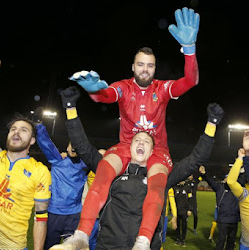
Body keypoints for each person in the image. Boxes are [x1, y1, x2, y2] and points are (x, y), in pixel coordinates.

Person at [68, 7, 200, 249]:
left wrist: (189, 50)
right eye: (140, 64)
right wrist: (94, 90)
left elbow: (190, 81)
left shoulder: (162, 88)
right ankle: (81, 235)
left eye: (150, 66)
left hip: (157, 149)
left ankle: (143, 241)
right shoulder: (124, 87)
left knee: (157, 186)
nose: (145, 70)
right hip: (127, 146)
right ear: (133, 66)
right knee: (103, 174)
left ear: (154, 69)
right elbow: (106, 95)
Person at [49, 86, 224, 250]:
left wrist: (212, 124)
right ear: (129, 147)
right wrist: (70, 108)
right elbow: (82, 147)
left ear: (152, 151)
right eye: (137, 140)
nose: (141, 142)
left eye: (146, 141)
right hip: (109, 245)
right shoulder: (114, 171)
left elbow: (196, 159)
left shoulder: (165, 176)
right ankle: (80, 236)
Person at [32, 108, 90, 250]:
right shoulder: (58, 160)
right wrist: (38, 124)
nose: (74, 146)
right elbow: (46, 143)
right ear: (67, 147)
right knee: (51, 246)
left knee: (71, 247)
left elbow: (101, 157)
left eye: (78, 144)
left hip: (74, 214)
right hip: (54, 213)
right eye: (72, 144)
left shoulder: (86, 165)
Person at [0, 114, 51, 249]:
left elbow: (40, 219)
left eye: (23, 130)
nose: (16, 132)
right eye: (13, 129)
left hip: (13, 246)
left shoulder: (39, 171)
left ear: (32, 140)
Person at [200, 164, 240, 250]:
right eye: (227, 178)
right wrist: (204, 174)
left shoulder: (237, 189)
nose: (229, 180)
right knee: (221, 240)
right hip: (223, 220)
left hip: (234, 220)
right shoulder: (219, 188)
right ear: (224, 179)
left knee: (231, 241)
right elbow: (210, 181)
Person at [173, 180, 192, 247]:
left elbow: (190, 199)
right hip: (176, 211)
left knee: (184, 225)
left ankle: (183, 240)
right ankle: (178, 239)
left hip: (185, 210)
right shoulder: (174, 187)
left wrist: (189, 209)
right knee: (177, 225)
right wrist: (172, 210)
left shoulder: (188, 187)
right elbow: (172, 200)